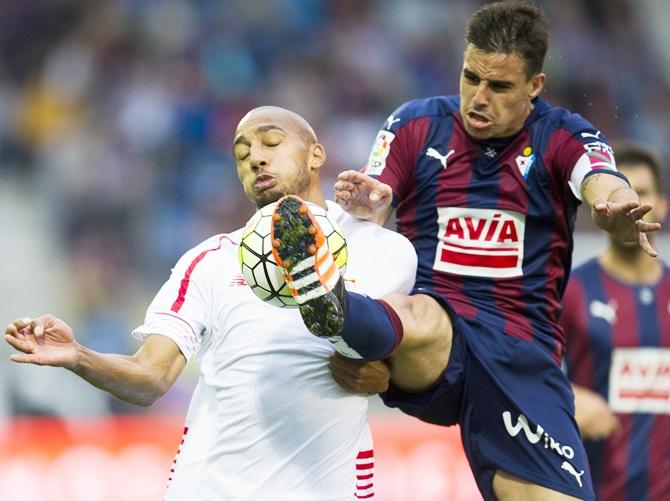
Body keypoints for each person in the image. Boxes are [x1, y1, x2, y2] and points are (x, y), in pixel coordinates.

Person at [268, 3, 661, 501]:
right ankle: (333, 309)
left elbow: (604, 182)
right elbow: (371, 208)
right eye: (470, 76)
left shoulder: (564, 135)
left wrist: (615, 207)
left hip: (521, 356)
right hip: (435, 341)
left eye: (498, 87)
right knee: (421, 311)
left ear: (535, 86)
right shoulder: (415, 124)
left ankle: (347, 319)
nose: (478, 97)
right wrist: (370, 204)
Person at [4, 106, 418, 500]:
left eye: (270, 143)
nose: (255, 158)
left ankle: (322, 293)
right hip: (214, 490)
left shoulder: (384, 251)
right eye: (242, 154)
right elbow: (151, 376)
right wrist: (78, 356)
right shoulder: (210, 260)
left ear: (316, 154)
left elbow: (413, 359)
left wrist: (384, 375)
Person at [561, 142, 670, 500]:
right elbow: (524, 369)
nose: (631, 206)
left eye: (641, 193)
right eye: (623, 193)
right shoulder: (572, 290)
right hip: (593, 487)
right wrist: (569, 397)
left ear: (663, 204)